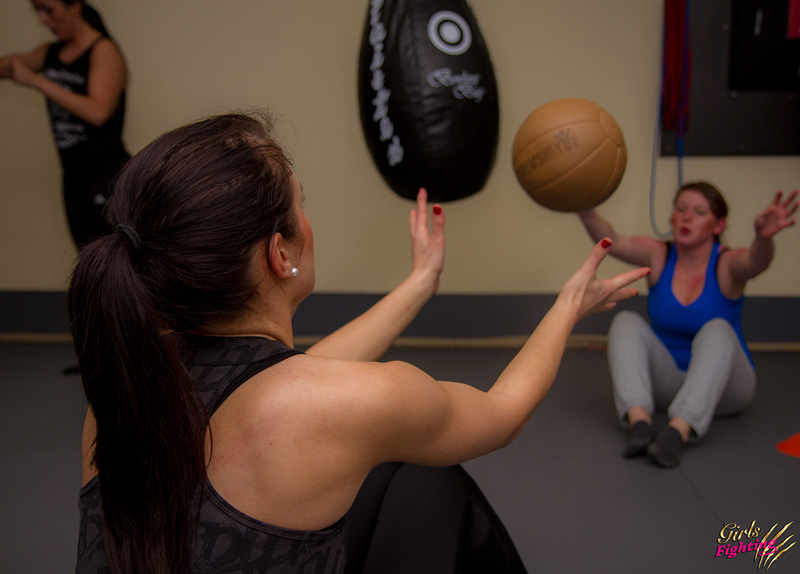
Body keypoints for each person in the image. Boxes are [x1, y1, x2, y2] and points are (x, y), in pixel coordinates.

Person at [68, 112, 648, 574]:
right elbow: (504, 412)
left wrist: (420, 283)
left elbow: (281, 382)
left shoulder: (124, 387)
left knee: (401, 480)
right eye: (302, 202)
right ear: (280, 253)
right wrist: (569, 305)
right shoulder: (354, 404)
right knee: (431, 480)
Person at [578, 182, 798, 468]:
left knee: (718, 328)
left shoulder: (726, 263)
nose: (686, 217)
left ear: (718, 225)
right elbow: (614, 241)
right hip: (669, 382)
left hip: (726, 390)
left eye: (699, 212)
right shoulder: (658, 255)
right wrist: (584, 209)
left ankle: (678, 432)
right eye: (681, 209)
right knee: (625, 321)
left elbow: (755, 261)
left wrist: (762, 239)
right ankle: (640, 424)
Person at [1, 0, 130, 248]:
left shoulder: (103, 50)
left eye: (49, 10)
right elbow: (10, 65)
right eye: (38, 12)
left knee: (114, 257)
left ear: (74, 6)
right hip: (73, 178)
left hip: (107, 177)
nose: (43, 20)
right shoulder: (50, 53)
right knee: (86, 257)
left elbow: (99, 111)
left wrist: (37, 81)